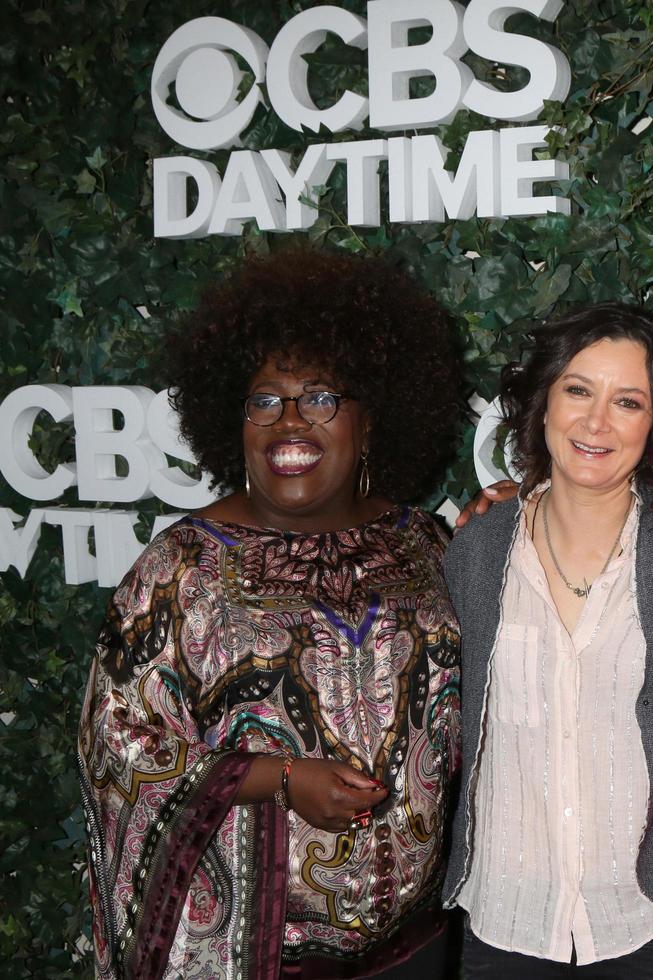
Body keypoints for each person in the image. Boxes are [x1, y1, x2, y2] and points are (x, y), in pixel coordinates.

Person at [77, 248, 465, 979]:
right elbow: (119, 746)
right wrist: (277, 777)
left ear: (371, 420)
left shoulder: (427, 544)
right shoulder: (180, 569)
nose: (289, 421)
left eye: (319, 397)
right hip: (253, 959)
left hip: (417, 948)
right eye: (265, 400)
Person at [441, 303, 653, 979]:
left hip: (649, 921)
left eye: (628, 402)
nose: (596, 423)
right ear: (543, 402)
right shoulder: (474, 551)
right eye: (578, 390)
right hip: (504, 921)